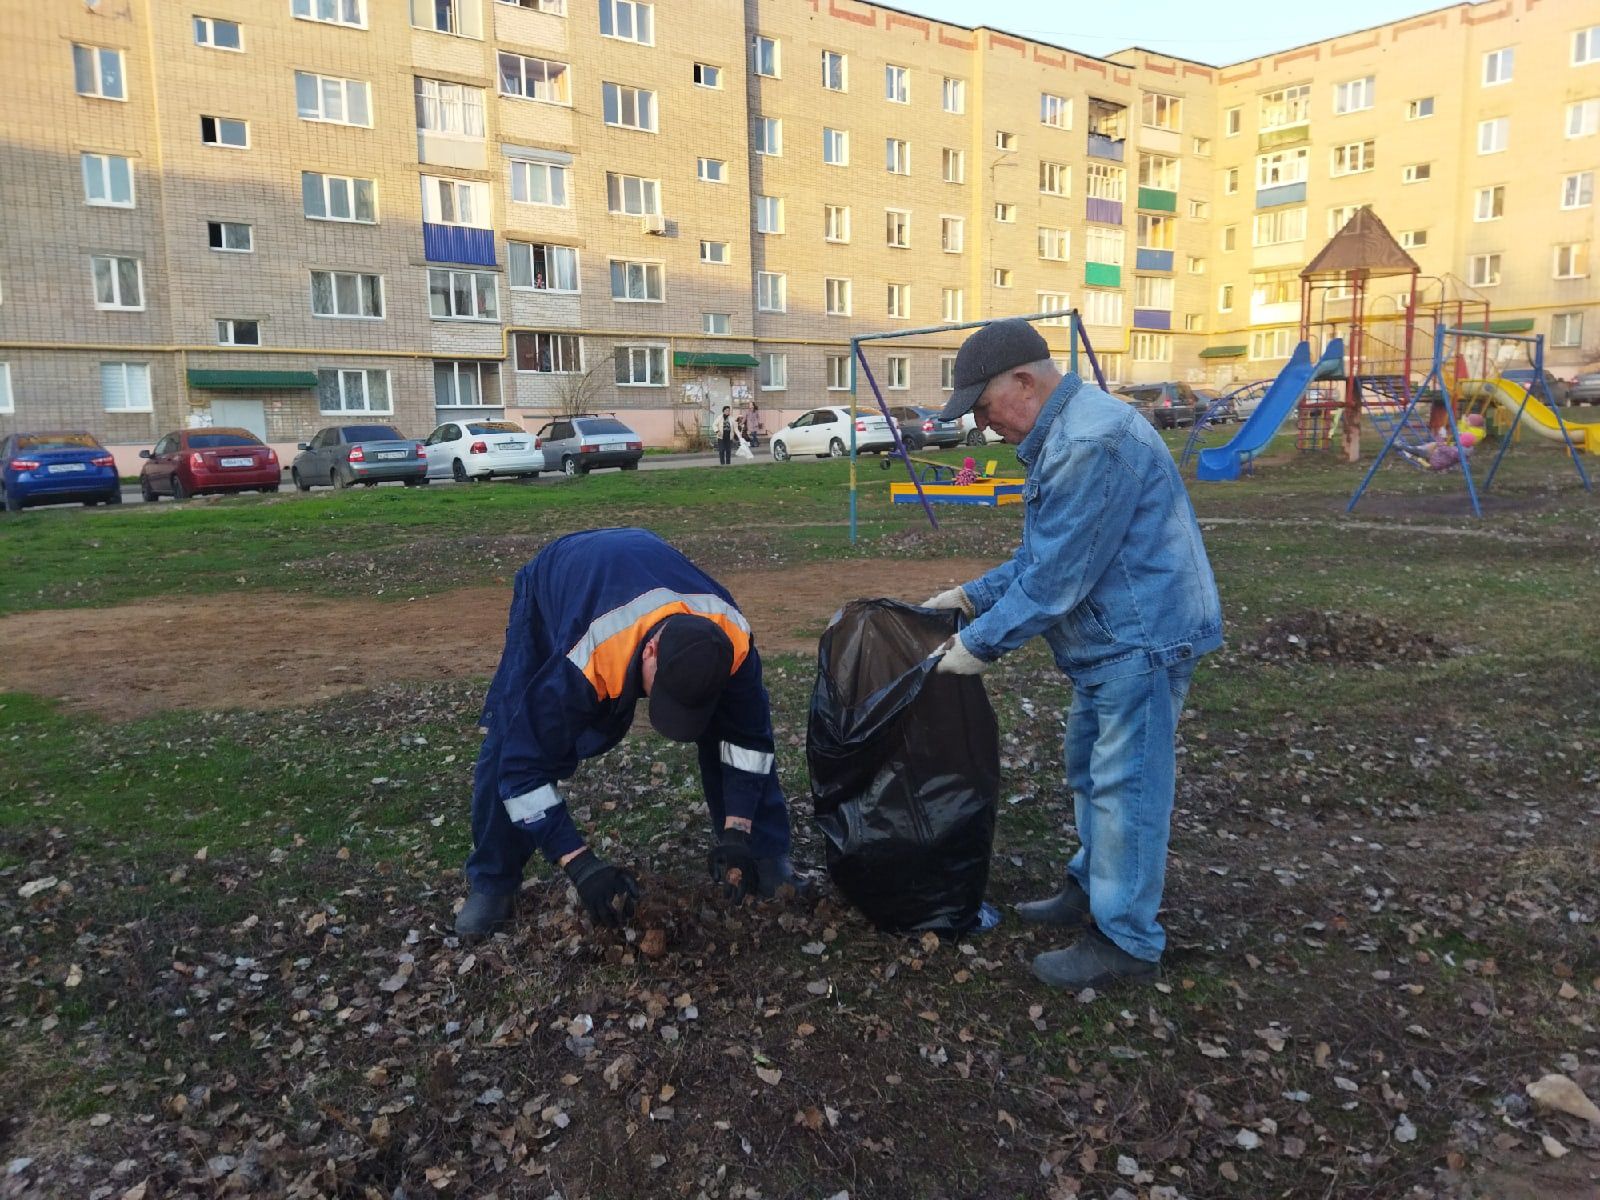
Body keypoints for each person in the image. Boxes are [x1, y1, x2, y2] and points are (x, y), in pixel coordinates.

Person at [919, 319, 1222, 990]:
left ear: (1024, 382)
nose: (987, 428)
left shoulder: (1091, 441)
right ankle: (1093, 888)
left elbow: (1057, 581)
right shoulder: (1072, 432)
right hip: (1111, 641)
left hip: (1140, 642)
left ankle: (1126, 943)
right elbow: (1045, 555)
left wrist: (977, 645)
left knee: (1126, 791)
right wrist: (969, 596)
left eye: (984, 408)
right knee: (1093, 774)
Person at [456, 528, 796, 937]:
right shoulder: (584, 659)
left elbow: (749, 743)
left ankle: (763, 852)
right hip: (560, 577)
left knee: (737, 725)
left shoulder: (734, 641)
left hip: (638, 567)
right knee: (514, 732)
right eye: (666, 694)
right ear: (651, 650)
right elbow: (522, 771)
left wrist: (738, 831)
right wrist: (581, 865)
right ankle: (493, 880)